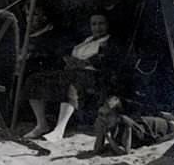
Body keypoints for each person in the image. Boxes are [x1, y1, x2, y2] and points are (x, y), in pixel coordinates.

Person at [24, 12, 117, 142]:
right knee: (34, 79)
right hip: (74, 72)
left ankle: (59, 130)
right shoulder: (88, 40)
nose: (97, 27)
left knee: (70, 82)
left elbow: (105, 62)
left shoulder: (108, 41)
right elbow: (73, 55)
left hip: (94, 76)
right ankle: (42, 124)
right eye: (94, 24)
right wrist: (69, 60)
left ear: (108, 25)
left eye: (101, 23)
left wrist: (83, 62)